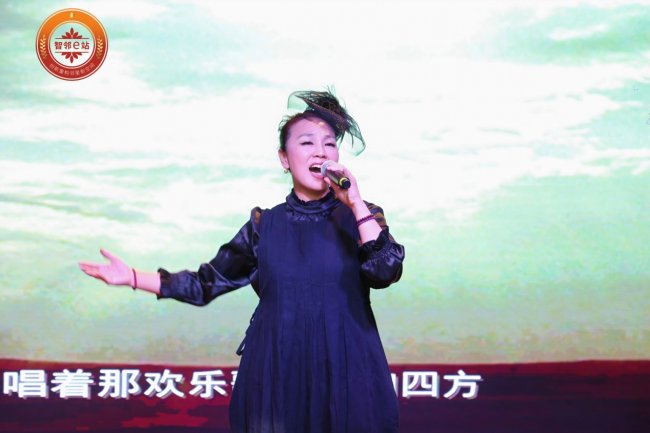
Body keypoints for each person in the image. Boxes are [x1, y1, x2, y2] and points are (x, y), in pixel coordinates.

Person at [79, 89, 405, 433]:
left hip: (346, 368)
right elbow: (205, 284)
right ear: (284, 158)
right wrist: (132, 277)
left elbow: (386, 271)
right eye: (307, 142)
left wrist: (355, 202)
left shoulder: (362, 216)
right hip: (277, 369)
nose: (321, 152)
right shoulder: (263, 226)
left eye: (329, 144)